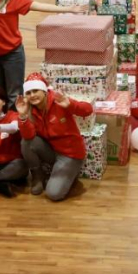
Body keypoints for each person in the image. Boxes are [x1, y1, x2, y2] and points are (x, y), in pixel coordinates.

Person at [16, 73, 93, 202]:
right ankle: (37, 175)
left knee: (53, 194)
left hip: (70, 154)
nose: (32, 95)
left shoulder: (59, 101)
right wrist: (23, 116)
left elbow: (88, 110)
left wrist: (71, 105)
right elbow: (28, 136)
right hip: (51, 151)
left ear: (44, 90)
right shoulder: (29, 109)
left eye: (35, 91)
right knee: (26, 142)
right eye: (28, 93)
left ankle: (68, 175)